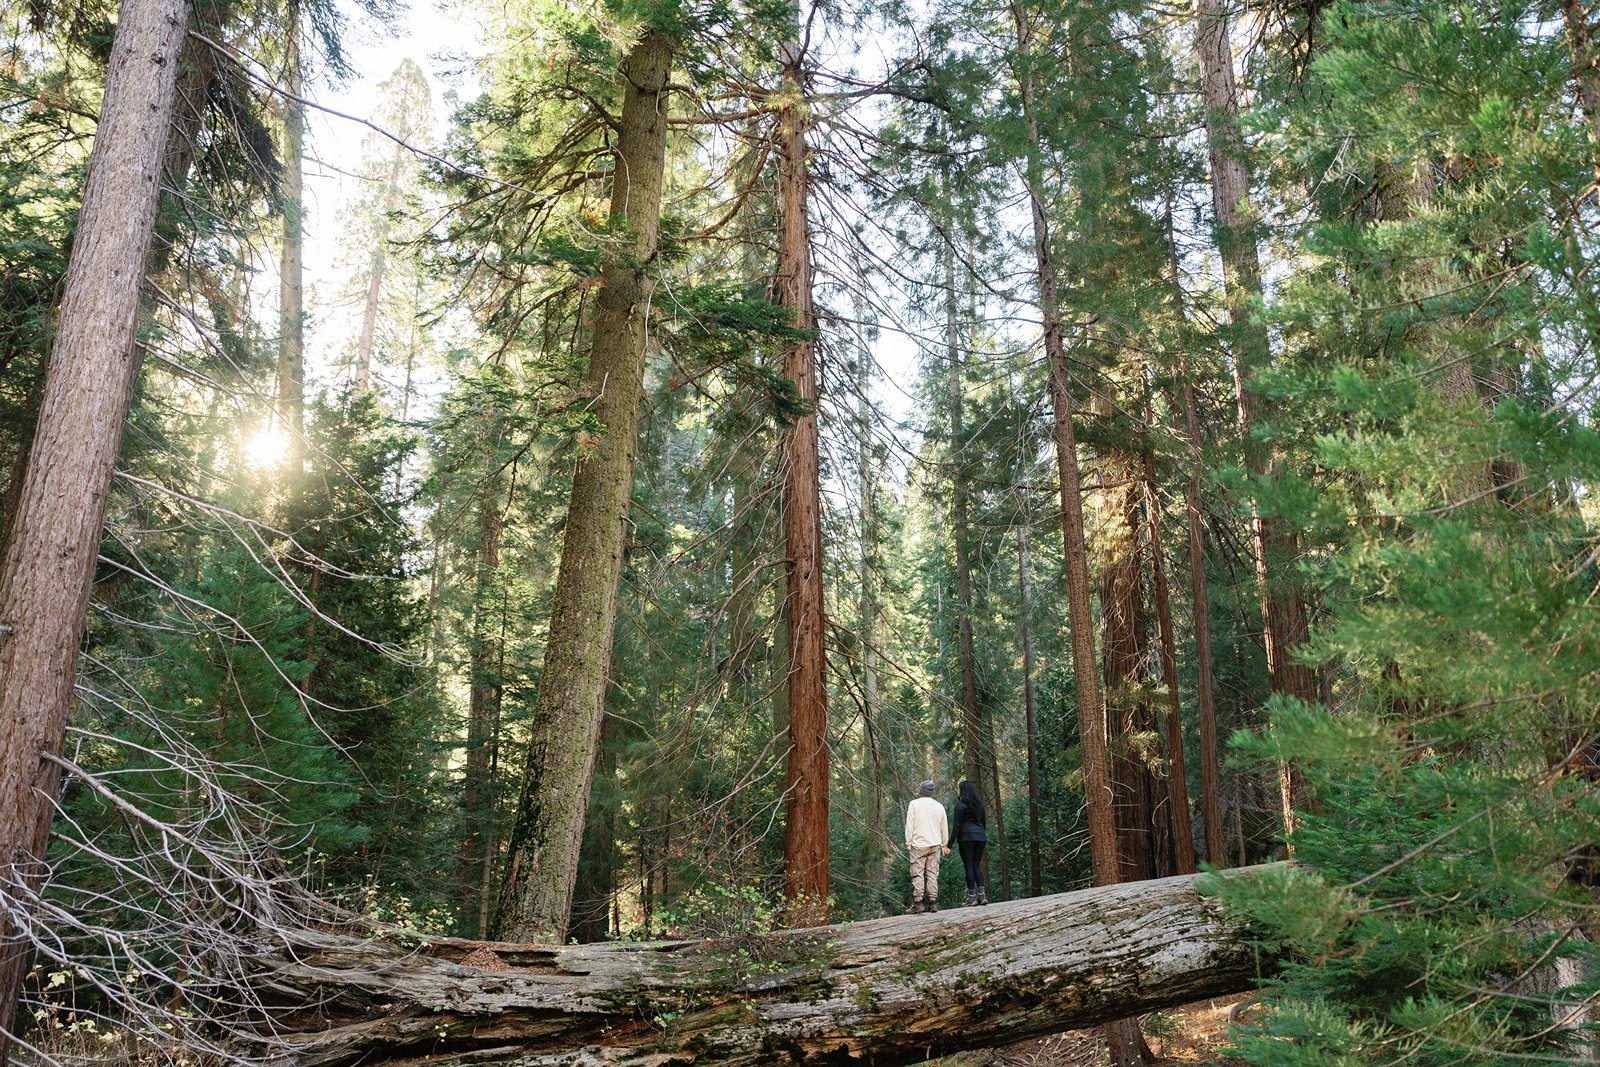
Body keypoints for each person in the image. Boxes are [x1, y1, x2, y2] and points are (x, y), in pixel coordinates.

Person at [903, 779, 949, 913]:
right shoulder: (939, 806)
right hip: (935, 845)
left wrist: (908, 842)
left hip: (918, 845)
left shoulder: (914, 804)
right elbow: (944, 827)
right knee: (932, 874)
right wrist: (944, 842)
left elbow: (909, 825)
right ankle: (933, 903)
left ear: (921, 791)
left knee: (917, 874)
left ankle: (918, 903)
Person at [951, 779, 989, 906]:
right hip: (980, 837)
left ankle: (971, 897)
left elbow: (956, 826)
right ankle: (982, 895)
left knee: (969, 866)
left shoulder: (960, 805)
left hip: (966, 838)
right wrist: (981, 834)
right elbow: (984, 823)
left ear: (962, 790)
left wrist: (949, 844)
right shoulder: (979, 804)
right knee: (976, 866)